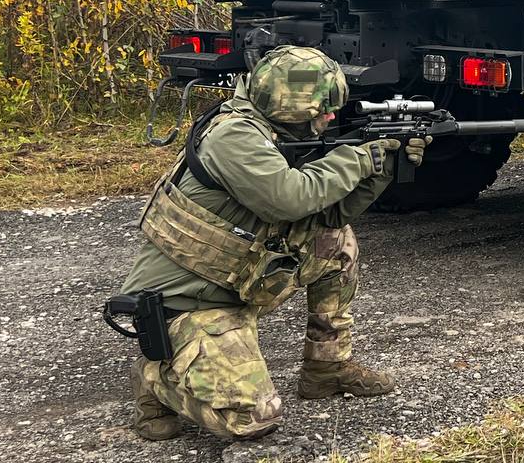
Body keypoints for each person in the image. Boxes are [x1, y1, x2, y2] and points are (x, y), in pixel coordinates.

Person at [119, 45, 429, 442]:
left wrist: (384, 167)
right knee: (254, 418)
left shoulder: (272, 131)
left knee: (335, 243)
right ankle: (154, 376)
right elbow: (290, 198)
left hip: (236, 281)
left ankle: (326, 369)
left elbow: (327, 216)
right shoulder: (233, 136)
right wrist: (360, 159)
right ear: (292, 105)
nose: (331, 117)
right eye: (322, 110)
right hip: (189, 303)